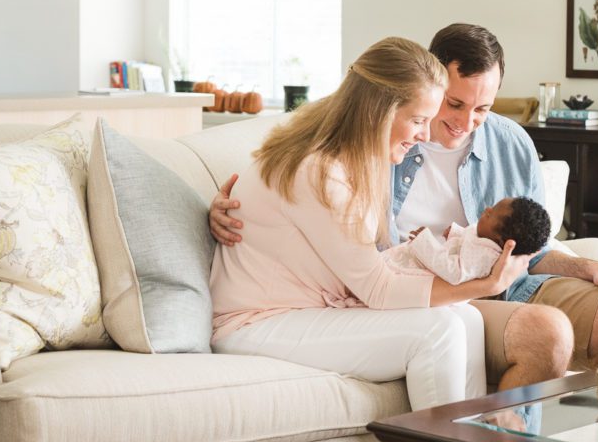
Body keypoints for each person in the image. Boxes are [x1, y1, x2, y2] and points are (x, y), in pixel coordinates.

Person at [211, 23, 598, 393]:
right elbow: (288, 169)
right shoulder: (371, 142)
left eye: (483, 109)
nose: (465, 121)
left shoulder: (510, 142)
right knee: (536, 331)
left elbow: (528, 245)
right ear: (430, 83)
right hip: (426, 288)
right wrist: (220, 206)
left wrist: (586, 267)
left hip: (504, 284)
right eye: (453, 104)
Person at [209, 37, 531, 419]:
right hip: (258, 323)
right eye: (417, 120)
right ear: (377, 111)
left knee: (467, 317)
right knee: (440, 330)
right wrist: (483, 285)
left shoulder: (361, 158)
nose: (424, 136)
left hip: (316, 309)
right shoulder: (318, 170)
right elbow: (379, 287)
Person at [386, 196, 551, 285]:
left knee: (389, 268)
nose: (487, 209)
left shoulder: (486, 256)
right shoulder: (485, 238)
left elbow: (454, 272)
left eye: (490, 214)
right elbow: (469, 241)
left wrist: (424, 242)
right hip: (423, 264)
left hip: (426, 277)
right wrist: (456, 233)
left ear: (500, 239)